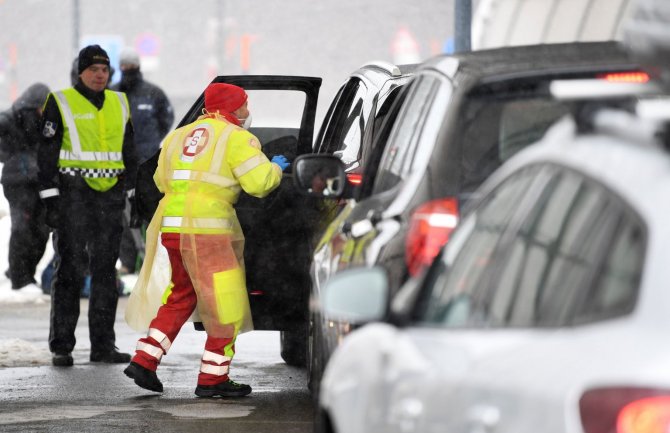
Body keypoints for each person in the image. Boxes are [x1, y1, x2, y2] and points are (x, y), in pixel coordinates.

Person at [123, 82, 290, 397]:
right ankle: (213, 379)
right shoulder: (238, 138)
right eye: (244, 105)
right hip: (209, 232)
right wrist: (277, 168)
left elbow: (160, 179)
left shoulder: (177, 136)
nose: (248, 112)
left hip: (173, 229)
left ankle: (145, 359)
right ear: (230, 108)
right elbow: (259, 184)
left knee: (180, 296)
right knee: (225, 305)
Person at [37, 44, 138, 367]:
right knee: (70, 270)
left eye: (105, 70)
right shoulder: (61, 101)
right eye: (93, 69)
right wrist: (49, 198)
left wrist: (134, 192)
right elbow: (47, 153)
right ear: (80, 72)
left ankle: (103, 346)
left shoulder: (119, 102)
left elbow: (129, 151)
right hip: (73, 196)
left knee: (106, 273)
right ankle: (62, 346)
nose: (99, 75)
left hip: (109, 198)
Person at [112, 47, 174, 275]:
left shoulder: (153, 93)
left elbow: (166, 118)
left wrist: (152, 140)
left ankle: (154, 260)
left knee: (150, 211)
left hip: (147, 163)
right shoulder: (113, 94)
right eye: (125, 66)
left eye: (131, 66)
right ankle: (128, 262)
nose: (128, 70)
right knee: (125, 216)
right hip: (119, 164)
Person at [0, 83, 51, 293]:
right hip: (17, 183)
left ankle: (22, 272)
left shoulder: (45, 124)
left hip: (38, 182)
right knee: (22, 228)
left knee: (41, 230)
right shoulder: (8, 120)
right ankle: (20, 279)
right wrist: (13, 158)